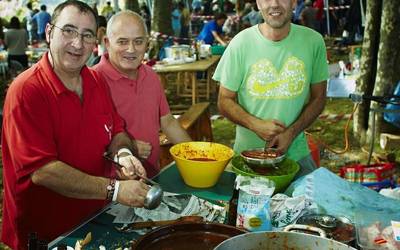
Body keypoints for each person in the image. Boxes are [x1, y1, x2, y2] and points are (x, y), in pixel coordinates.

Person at [1, 1, 150, 249]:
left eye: (86, 35)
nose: (78, 43)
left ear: (95, 41)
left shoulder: (95, 80)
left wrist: (123, 154)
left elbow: (117, 130)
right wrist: (115, 190)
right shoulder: (27, 90)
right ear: (49, 32)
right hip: (45, 232)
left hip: (93, 217)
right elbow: (43, 171)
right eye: (68, 31)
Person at [213, 0, 328, 178]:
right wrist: (255, 124)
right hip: (247, 159)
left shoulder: (314, 41)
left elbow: (319, 97)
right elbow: (224, 100)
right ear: (258, 4)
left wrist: (291, 133)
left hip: (297, 157)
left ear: (293, 3)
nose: (274, 4)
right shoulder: (240, 43)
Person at [93, 11, 191, 178]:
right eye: (122, 42)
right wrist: (126, 147)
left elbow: (167, 122)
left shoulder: (150, 75)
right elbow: (86, 143)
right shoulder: (92, 81)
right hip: (111, 188)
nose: (131, 49)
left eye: (138, 42)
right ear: (107, 43)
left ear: (147, 43)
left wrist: (195, 155)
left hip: (151, 176)